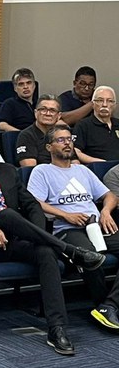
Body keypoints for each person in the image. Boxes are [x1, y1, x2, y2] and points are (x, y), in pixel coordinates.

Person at [0, 126, 105, 355]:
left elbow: (31, 204)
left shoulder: (8, 171)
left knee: (45, 253)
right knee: (7, 215)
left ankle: (57, 328)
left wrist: (37, 235)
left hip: (14, 239)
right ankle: (70, 250)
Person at [27, 123, 119, 333]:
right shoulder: (42, 171)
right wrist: (65, 214)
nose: (67, 143)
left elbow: (109, 195)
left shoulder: (82, 170)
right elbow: (34, 202)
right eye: (61, 140)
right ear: (49, 147)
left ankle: (109, 305)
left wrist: (106, 211)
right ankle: (102, 304)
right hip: (67, 229)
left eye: (69, 139)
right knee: (90, 256)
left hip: (97, 225)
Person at [73, 86, 119, 163]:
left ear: (115, 105)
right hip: (97, 167)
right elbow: (75, 151)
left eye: (110, 101)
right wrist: (102, 163)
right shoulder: (83, 125)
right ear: (93, 104)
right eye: (100, 100)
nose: (105, 104)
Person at [15, 96, 63, 167]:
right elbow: (29, 168)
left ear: (59, 116)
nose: (48, 114)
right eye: (43, 109)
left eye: (52, 110)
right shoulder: (26, 135)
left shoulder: (63, 134)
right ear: (35, 113)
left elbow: (74, 162)